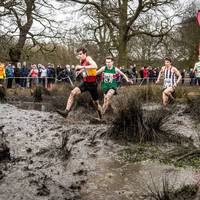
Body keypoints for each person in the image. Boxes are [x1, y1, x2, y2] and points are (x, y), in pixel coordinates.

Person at [56, 47, 102, 119]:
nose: (79, 56)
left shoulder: (88, 58)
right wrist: (80, 71)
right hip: (85, 83)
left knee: (96, 103)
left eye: (81, 54)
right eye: (78, 54)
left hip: (92, 84)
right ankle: (66, 112)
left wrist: (81, 67)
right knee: (72, 93)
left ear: (85, 54)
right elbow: (86, 70)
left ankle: (101, 116)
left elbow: (95, 66)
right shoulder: (81, 61)